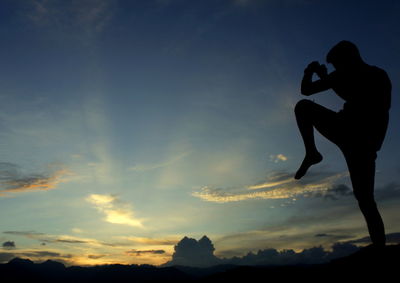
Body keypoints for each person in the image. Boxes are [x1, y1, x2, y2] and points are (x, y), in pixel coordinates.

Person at [294, 40, 391, 247]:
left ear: (350, 58)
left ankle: (379, 246)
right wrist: (309, 72)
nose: (337, 70)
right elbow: (306, 91)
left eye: (339, 65)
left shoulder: (377, 75)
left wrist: (327, 78)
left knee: (364, 199)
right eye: (335, 68)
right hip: (343, 127)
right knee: (303, 107)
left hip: (364, 141)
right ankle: (312, 153)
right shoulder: (340, 76)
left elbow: (369, 101)